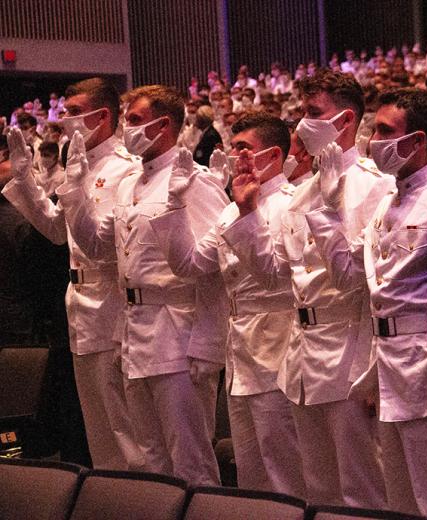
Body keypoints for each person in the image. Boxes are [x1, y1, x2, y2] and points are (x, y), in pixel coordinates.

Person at [221, 69, 390, 508]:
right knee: (317, 492)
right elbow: (277, 276)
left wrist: (331, 211)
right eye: (302, 112)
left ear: (346, 120)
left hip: (349, 353)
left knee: (360, 490)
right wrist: (247, 217)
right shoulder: (303, 192)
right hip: (301, 355)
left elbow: (363, 284)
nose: (302, 123)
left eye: (314, 113)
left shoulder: (376, 186)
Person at [56, 85, 229, 485]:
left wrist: (208, 344)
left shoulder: (193, 181)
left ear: (163, 124)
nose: (127, 128)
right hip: (134, 332)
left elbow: (215, 271)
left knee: (190, 461)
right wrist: (76, 193)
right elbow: (99, 248)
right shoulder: (130, 182)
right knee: (150, 462)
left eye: (133, 120)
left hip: (179, 334)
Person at [304, 88, 427, 519]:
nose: (374, 140)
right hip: (385, 361)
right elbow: (349, 275)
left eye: (386, 131)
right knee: (399, 500)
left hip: (426, 361)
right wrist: (328, 208)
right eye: (374, 130)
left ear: (417, 142)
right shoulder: (386, 203)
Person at [148, 111, 305, 495]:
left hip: (279, 345)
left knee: (283, 465)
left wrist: (249, 212)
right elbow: (191, 266)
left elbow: (277, 276)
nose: (236, 157)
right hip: (240, 352)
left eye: (244, 149)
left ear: (274, 154)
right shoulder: (230, 208)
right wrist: (176, 204)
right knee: (249, 469)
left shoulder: (292, 203)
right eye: (233, 148)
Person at [2, 78, 143, 471]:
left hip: (113, 303)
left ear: (103, 116)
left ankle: (139, 505)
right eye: (64, 111)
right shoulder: (77, 164)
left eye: (74, 111)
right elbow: (54, 230)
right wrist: (25, 179)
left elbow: (101, 245)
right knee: (97, 428)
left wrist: (76, 186)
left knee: (123, 426)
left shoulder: (124, 170)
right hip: (80, 305)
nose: (64, 120)